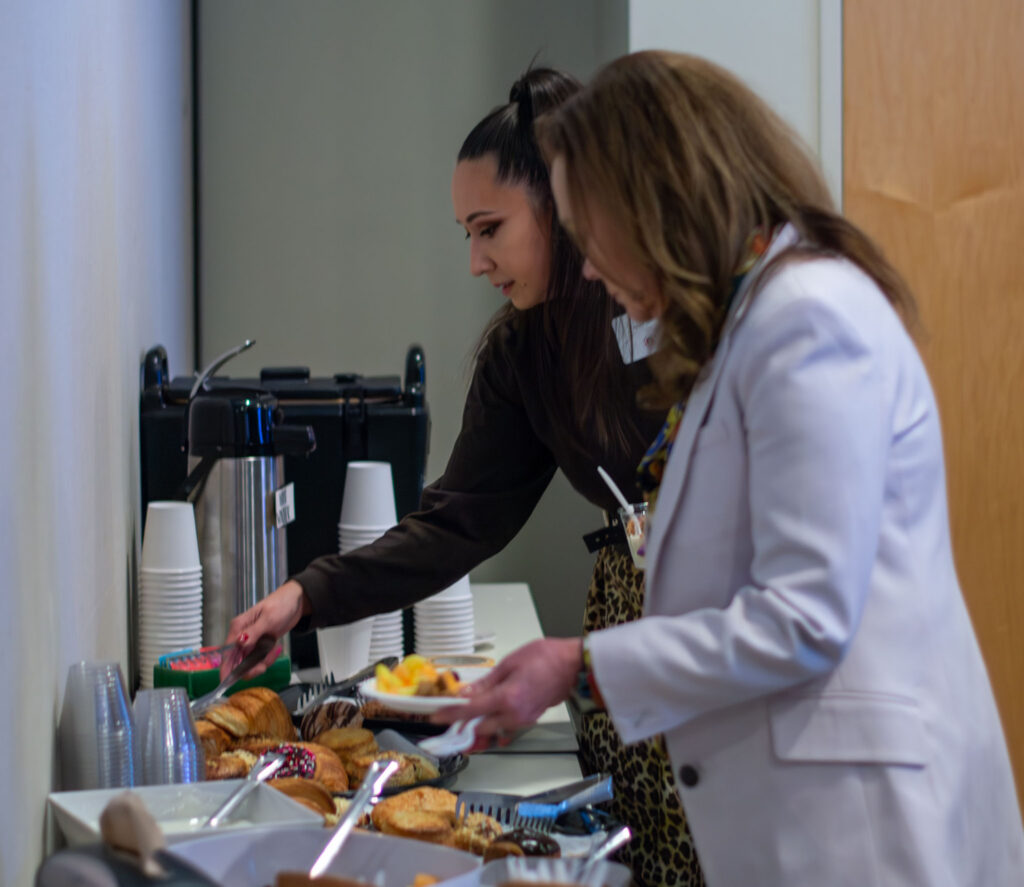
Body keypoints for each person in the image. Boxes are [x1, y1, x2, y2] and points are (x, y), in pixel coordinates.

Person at [438, 51, 1024, 885]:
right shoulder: (748, 326)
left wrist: (583, 664)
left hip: (861, 827)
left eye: (587, 233)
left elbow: (805, 615)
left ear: (653, 201)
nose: (591, 269)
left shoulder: (809, 320)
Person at [225, 67, 705, 887]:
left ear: (561, 204)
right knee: (653, 855)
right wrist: (307, 593)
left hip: (705, 626)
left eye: (491, 228)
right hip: (625, 634)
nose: (478, 261)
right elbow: (455, 523)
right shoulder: (525, 355)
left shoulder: (680, 309)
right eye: (466, 235)